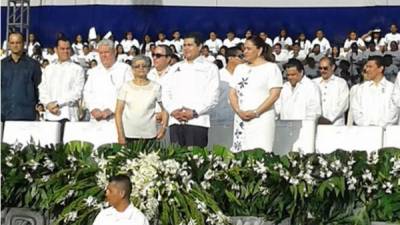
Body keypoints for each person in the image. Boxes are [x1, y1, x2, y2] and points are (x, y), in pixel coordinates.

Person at [162, 32, 219, 148]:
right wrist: (173, 110)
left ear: (199, 47)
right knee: (175, 162)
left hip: (197, 121)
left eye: (190, 45)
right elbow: (165, 93)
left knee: (195, 161)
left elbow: (213, 97)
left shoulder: (210, 68)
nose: (186, 48)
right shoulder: (174, 68)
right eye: (184, 45)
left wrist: (194, 112)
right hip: (175, 121)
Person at [229, 36, 282, 152]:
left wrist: (256, 112)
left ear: (260, 50)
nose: (245, 52)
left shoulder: (271, 68)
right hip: (241, 118)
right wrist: (238, 111)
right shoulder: (240, 69)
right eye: (244, 49)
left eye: (249, 49)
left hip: (262, 119)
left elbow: (274, 95)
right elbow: (232, 93)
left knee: (260, 155)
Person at [115, 56, 168, 145]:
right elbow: (118, 112)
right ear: (132, 69)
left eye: (144, 66)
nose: (141, 68)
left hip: (150, 135)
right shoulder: (125, 87)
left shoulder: (156, 87)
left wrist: (164, 128)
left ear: (149, 68)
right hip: (128, 134)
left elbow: (165, 110)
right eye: (137, 66)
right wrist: (120, 135)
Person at [83, 39, 132, 121]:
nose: (103, 55)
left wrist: (112, 109)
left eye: (106, 52)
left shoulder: (125, 69)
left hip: (117, 119)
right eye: (101, 53)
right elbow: (87, 92)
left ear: (114, 52)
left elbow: (129, 93)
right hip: (96, 120)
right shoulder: (94, 72)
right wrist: (92, 108)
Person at [39, 37, 85, 122]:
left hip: (68, 115)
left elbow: (77, 93)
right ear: (56, 50)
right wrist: (48, 104)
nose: (65, 51)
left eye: (67, 49)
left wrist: (57, 103)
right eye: (62, 49)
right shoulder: (49, 69)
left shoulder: (77, 69)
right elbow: (42, 89)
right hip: (49, 115)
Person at [1, 32, 42, 121]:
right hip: (4, 114)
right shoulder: (2, 65)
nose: (15, 45)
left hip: (26, 115)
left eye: (18, 43)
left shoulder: (33, 65)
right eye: (12, 43)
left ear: (24, 44)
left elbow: (39, 88)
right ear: (8, 44)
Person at [351, 56, 398, 127]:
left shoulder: (392, 88)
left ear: (380, 69)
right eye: (366, 67)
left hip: (386, 132)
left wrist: (379, 127)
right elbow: (356, 110)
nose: (366, 70)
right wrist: (368, 125)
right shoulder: (360, 89)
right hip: (364, 130)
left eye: (370, 67)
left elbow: (394, 112)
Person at [210, 46, 244, 126]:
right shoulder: (218, 76)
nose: (243, 59)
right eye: (240, 56)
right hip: (219, 120)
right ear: (230, 58)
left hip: (238, 119)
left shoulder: (243, 77)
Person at [313, 57, 349, 125]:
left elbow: (343, 105)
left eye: (325, 68)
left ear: (332, 67)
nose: (322, 70)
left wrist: (329, 119)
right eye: (320, 68)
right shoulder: (313, 83)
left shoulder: (341, 83)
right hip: (317, 124)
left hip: (336, 124)